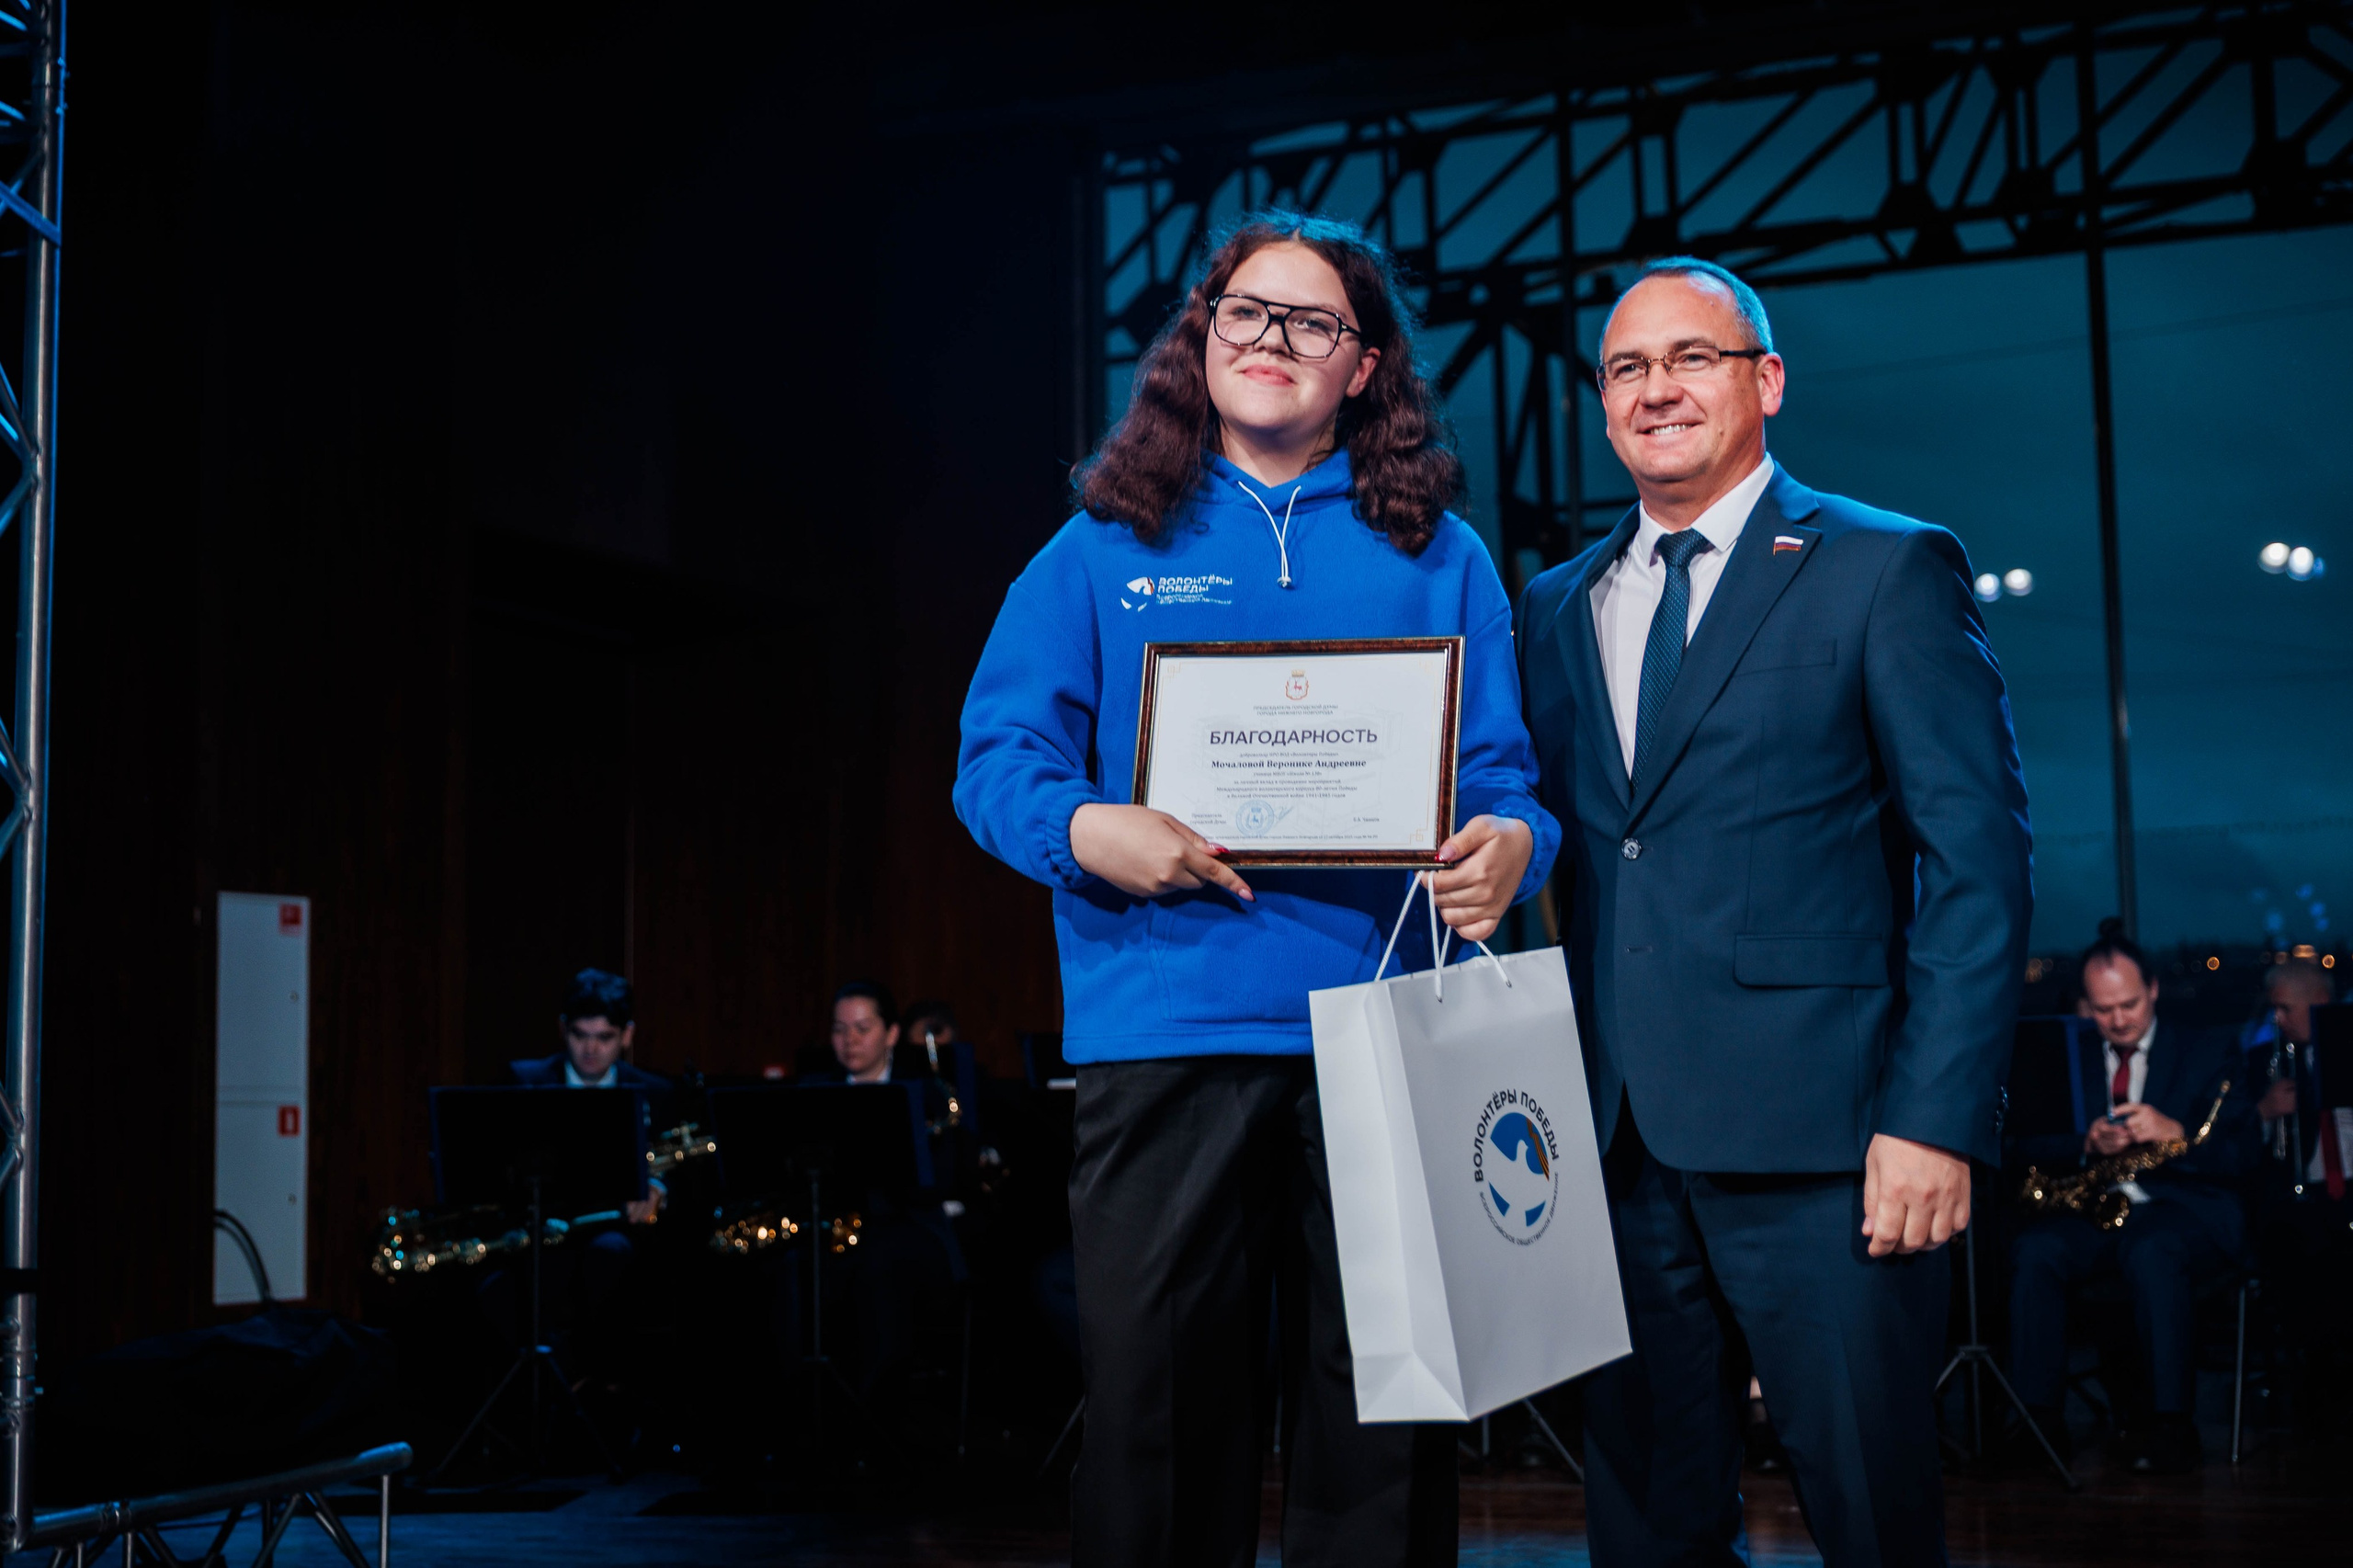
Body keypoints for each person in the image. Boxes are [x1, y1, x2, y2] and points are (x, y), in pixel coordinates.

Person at [955, 210, 1559, 1567]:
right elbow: (995, 759)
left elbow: (1505, 779)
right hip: (1164, 1039)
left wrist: (1519, 847)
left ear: (1363, 366)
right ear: (1200, 342)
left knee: (1385, 1434)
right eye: (1245, 314)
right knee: (1159, 1427)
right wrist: (1086, 827)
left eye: (1312, 322)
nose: (1272, 340)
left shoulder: (1441, 555)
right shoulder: (1102, 544)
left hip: (1391, 1046)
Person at [1515, 257, 2032, 1563]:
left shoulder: (1885, 566)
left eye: (1690, 356)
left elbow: (1978, 862)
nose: (1656, 389)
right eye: (1626, 368)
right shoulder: (1553, 606)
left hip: (1830, 1151)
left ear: (1767, 380)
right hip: (1618, 1148)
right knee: (1643, 1527)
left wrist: (1933, 1119)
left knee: (1870, 1515)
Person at [2004, 925, 2260, 1472]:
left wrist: (2175, 1134)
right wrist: (2085, 1142)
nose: (2118, 1020)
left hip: (2187, 1207)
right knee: (2036, 1251)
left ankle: (2171, 1427)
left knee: (2151, 1249)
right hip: (2097, 1210)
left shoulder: (2208, 1050)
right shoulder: (2066, 1053)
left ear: (2155, 990)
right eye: (2103, 1009)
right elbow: (2023, 1140)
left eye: (2129, 1004)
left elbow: (2242, 1157)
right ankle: (2036, 1427)